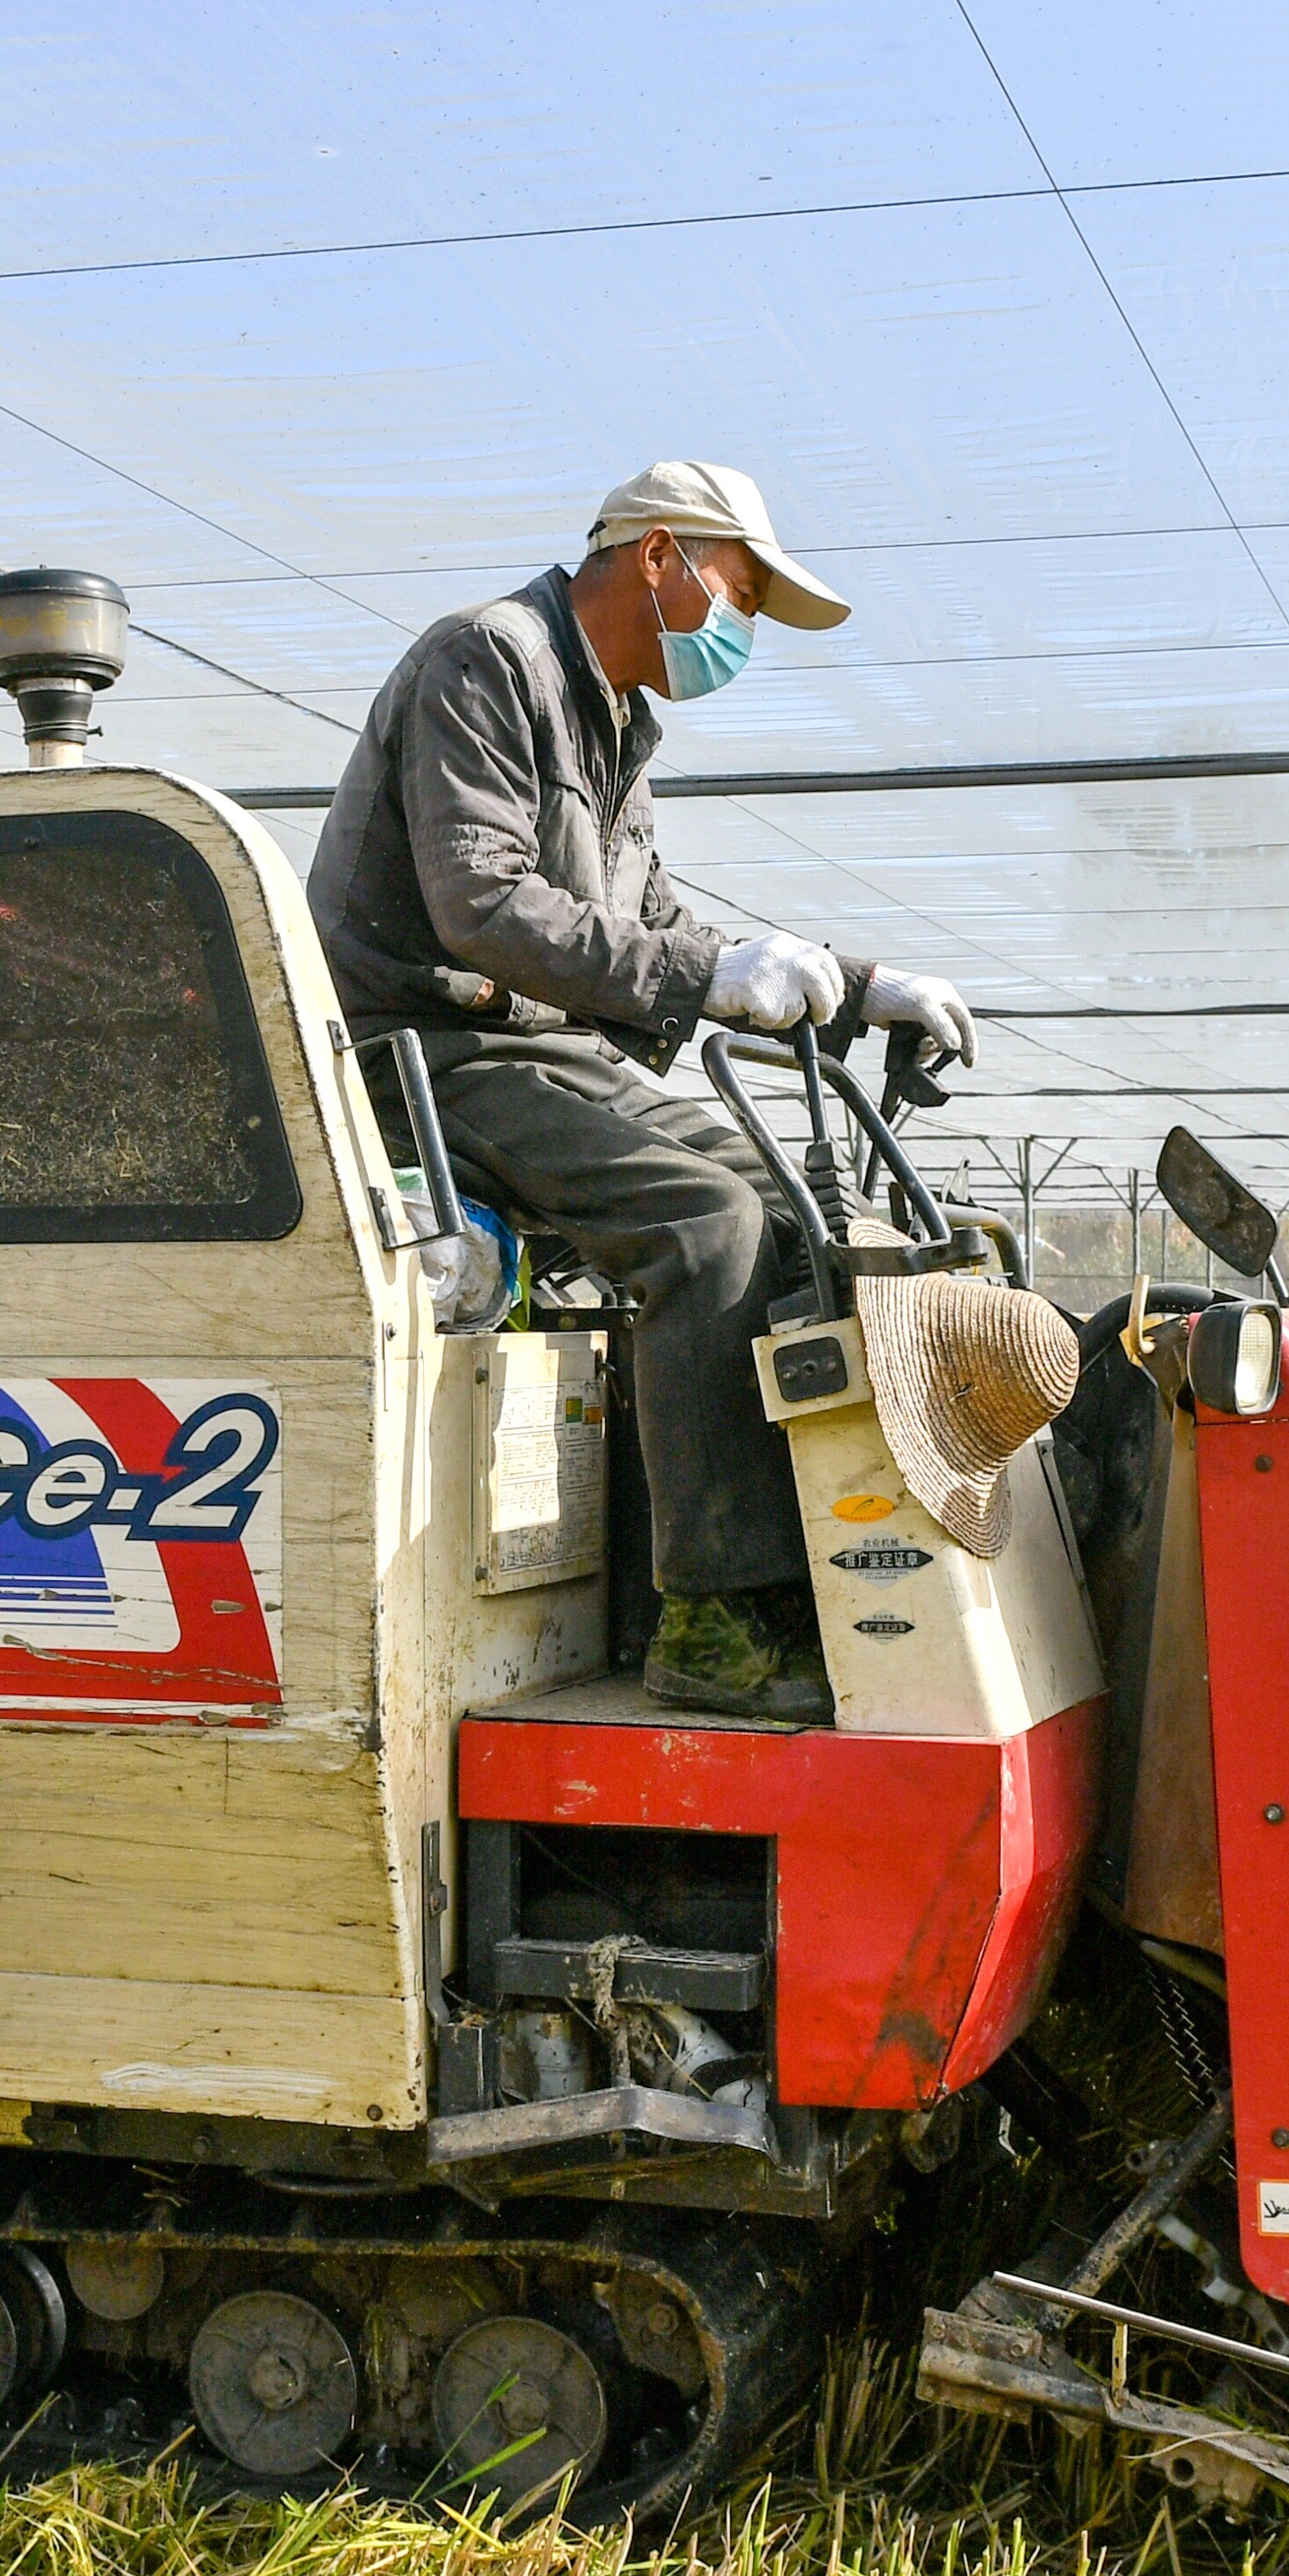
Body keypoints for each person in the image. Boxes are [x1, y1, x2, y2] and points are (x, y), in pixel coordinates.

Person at [305, 461, 977, 1724]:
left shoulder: (616, 723)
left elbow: (653, 924)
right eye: (740, 597)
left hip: (540, 1054)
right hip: (418, 1053)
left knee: (786, 1221)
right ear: (658, 557)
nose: (743, 635)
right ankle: (710, 1620)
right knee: (703, 1227)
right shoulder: (486, 661)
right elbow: (482, 904)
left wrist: (856, 979)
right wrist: (711, 972)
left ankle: (792, 1576)